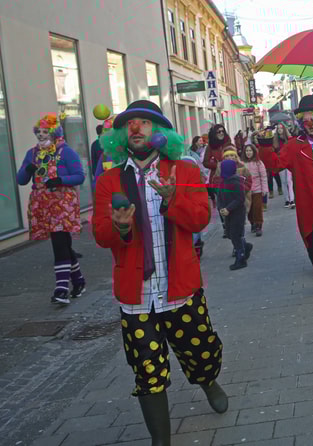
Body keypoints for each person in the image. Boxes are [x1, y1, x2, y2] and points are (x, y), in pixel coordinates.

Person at [93, 100, 228, 445]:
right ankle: (161, 441)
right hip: (136, 298)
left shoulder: (182, 171)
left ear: (159, 132)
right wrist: (121, 229)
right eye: (130, 124)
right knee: (147, 371)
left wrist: (173, 201)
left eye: (144, 123)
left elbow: (200, 219)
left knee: (201, 354)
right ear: (122, 136)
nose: (136, 129)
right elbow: (100, 235)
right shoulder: (110, 180)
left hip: (180, 289)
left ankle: (208, 381)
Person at [259, 95, 313, 308]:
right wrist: (266, 144)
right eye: (305, 118)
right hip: (308, 205)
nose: (309, 122)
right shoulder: (296, 146)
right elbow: (275, 165)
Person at [17, 113, 86, 305]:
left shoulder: (66, 152)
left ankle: (61, 289)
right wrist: (27, 170)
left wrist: (60, 180)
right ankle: (79, 281)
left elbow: (79, 176)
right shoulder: (32, 154)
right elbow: (21, 180)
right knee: (63, 244)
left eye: (45, 132)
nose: (41, 135)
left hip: (62, 204)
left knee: (59, 243)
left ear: (54, 133)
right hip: (43, 205)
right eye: (38, 132)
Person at [218, 158, 251, 270]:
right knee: (230, 234)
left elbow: (240, 199)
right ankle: (246, 246)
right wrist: (221, 208)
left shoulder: (237, 182)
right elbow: (220, 197)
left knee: (235, 235)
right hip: (228, 214)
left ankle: (240, 258)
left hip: (237, 213)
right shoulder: (222, 182)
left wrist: (228, 208)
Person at [202, 124, 232, 212]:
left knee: (230, 200)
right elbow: (205, 162)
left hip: (230, 176)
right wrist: (217, 165)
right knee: (221, 202)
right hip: (217, 177)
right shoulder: (210, 146)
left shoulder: (229, 143)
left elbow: (236, 158)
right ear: (215, 133)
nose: (221, 133)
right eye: (219, 132)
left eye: (223, 131)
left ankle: (231, 221)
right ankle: (224, 222)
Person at [242, 144, 268, 237]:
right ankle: (252, 223)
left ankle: (259, 226)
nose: (248, 153)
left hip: (257, 190)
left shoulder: (259, 163)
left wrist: (264, 189)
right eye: (247, 151)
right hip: (246, 191)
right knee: (249, 209)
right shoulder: (242, 163)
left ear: (254, 152)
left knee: (257, 209)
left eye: (250, 151)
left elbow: (263, 177)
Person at [273, 122, 295, 209]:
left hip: (288, 162)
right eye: (278, 128)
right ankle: (286, 199)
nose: (280, 130)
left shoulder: (289, 139)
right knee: (284, 181)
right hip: (280, 163)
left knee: (289, 181)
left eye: (281, 128)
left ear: (284, 129)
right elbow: (274, 152)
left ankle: (292, 199)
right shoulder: (275, 141)